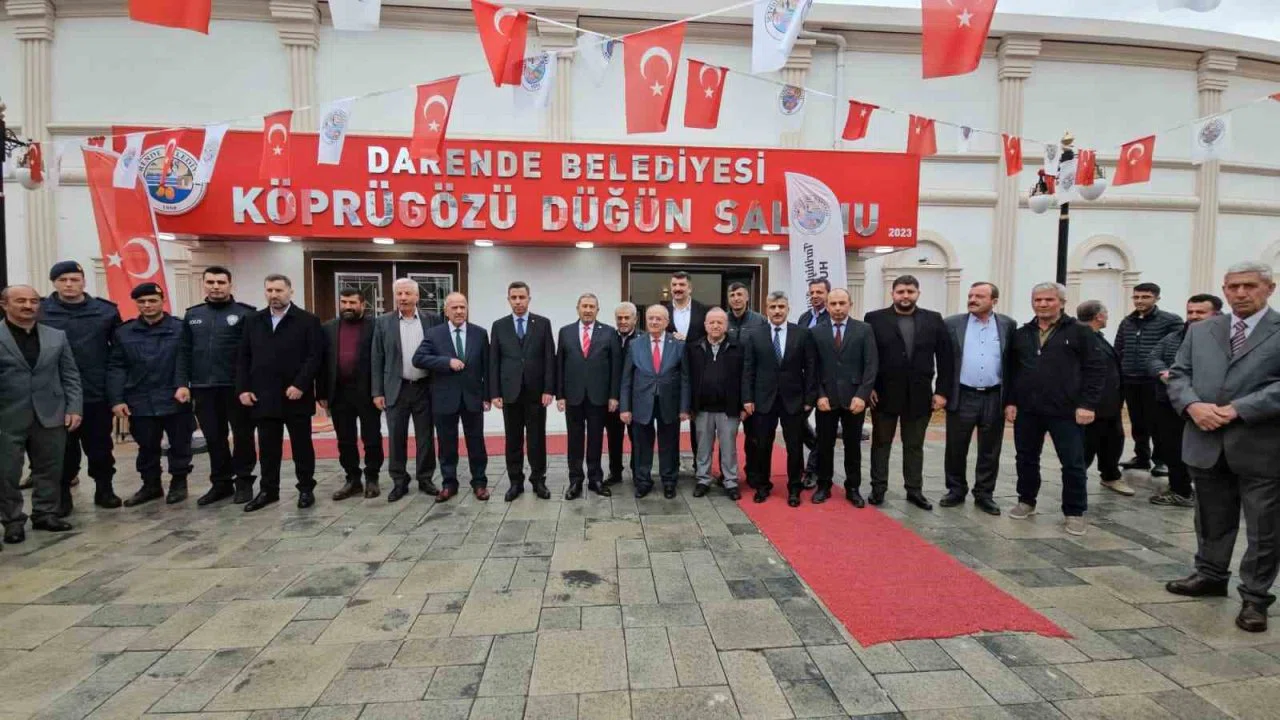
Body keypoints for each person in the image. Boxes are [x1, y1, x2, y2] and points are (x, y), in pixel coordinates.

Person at [1166, 262, 1280, 633]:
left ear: (1270, 288)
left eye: (1250, 286)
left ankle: (1255, 597)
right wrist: (1192, 405)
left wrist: (1239, 409)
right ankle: (1210, 575)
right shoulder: (1202, 330)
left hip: (1260, 446)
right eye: (1233, 287)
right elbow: (1179, 374)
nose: (1240, 293)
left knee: (1264, 527)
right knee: (1211, 517)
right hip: (1206, 439)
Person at [1007, 282, 1106, 536]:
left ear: (1061, 302)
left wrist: (1087, 404)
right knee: (1025, 458)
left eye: (1048, 300)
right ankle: (1026, 500)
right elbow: (1012, 371)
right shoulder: (1022, 334)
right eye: (1037, 300)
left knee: (1073, 462)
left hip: (1067, 410)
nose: (1042, 304)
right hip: (1029, 409)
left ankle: (1074, 512)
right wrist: (1011, 401)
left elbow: (1095, 370)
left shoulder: (1080, 332)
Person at [864, 275, 955, 510]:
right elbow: (868, 357)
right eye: (901, 291)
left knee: (914, 446)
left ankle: (914, 490)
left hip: (919, 395)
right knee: (881, 444)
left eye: (910, 291)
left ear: (918, 293)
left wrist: (942, 392)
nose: (905, 296)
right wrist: (869, 387)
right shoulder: (874, 319)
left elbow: (945, 358)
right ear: (892, 293)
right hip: (883, 394)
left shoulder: (933, 319)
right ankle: (878, 488)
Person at [39, 260, 122, 513]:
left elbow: (118, 353)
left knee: (100, 446)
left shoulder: (106, 311)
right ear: (54, 283)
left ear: (83, 281)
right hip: (55, 393)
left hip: (95, 391)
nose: (69, 284)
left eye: (74, 279)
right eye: (62, 280)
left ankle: (104, 488)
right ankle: (63, 494)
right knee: (63, 449)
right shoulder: (41, 311)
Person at [236, 274, 324, 512]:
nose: (274, 295)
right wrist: (243, 388)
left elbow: (315, 357)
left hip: (296, 396)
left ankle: (306, 488)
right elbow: (243, 357)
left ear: (290, 292)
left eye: (278, 290)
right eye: (269, 290)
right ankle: (268, 490)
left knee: (302, 447)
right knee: (268, 448)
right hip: (263, 396)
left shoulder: (307, 320)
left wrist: (301, 384)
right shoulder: (253, 320)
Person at [0, 285, 80, 541]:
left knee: (50, 469)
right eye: (21, 301)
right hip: (7, 416)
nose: (28, 306)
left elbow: (70, 374)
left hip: (51, 413)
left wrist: (74, 407)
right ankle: (12, 520)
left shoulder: (56, 336)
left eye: (34, 301)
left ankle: (45, 514)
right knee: (7, 472)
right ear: (4, 304)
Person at [108, 283, 194, 506]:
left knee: (180, 444)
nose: (147, 305)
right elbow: (117, 367)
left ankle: (179, 482)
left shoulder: (180, 328)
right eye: (142, 301)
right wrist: (117, 399)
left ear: (162, 301)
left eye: (152, 300)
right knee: (146, 446)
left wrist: (184, 385)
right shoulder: (124, 332)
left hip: (174, 397)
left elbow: (187, 360)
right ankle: (151, 485)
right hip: (140, 398)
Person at [178, 266, 257, 506]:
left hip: (236, 388)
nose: (215, 287)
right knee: (214, 437)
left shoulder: (246, 314)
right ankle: (221, 483)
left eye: (221, 282)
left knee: (243, 436)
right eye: (210, 282)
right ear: (204, 284)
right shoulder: (193, 315)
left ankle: (244, 481)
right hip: (203, 387)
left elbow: (253, 354)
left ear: (230, 285)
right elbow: (184, 352)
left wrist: (249, 386)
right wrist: (183, 384)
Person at [941, 282, 1016, 515]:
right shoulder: (952, 324)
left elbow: (1013, 364)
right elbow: (943, 361)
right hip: (963, 394)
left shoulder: (1008, 325)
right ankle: (955, 489)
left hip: (994, 395)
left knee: (990, 449)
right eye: (971, 295)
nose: (972, 299)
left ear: (994, 301)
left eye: (979, 296)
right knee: (956, 446)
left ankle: (984, 494)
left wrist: (1011, 400)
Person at [413, 292, 490, 502]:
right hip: (444, 398)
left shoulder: (480, 333)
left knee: (476, 443)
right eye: (454, 307)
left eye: (462, 307)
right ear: (446, 311)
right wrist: (446, 362)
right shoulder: (434, 334)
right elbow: (418, 358)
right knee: (447, 444)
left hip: (473, 397)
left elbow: (488, 366)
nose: (459, 311)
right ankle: (449, 484)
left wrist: (488, 395)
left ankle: (480, 483)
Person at [742, 291, 817, 506]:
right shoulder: (755, 335)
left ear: (788, 309)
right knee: (762, 445)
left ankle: (794, 488)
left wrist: (809, 399)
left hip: (793, 400)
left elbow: (811, 368)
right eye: (773, 307)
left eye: (781, 307)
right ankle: (763, 485)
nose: (777, 311)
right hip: (763, 400)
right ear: (766, 309)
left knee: (794, 447)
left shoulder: (802, 334)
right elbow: (748, 369)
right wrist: (747, 398)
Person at [1147, 294, 1221, 508]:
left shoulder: (1226, 338)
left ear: (1216, 314)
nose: (1194, 316)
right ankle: (1181, 490)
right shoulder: (1175, 336)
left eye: (1200, 312)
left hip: (1208, 405)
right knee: (1172, 448)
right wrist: (1162, 372)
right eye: (1190, 312)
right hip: (1171, 402)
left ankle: (1212, 493)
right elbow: (1152, 357)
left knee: (1209, 450)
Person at [373, 278, 442, 503]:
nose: (403, 298)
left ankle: (425, 478)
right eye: (399, 294)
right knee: (396, 437)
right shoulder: (383, 322)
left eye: (407, 293)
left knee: (425, 437)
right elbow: (377, 358)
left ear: (417, 296)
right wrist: (377, 392)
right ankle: (399, 480)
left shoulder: (432, 320)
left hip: (425, 387)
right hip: (397, 388)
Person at [489, 281, 556, 502]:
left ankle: (538, 480)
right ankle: (515, 481)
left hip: (536, 393)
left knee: (537, 439)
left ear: (529, 298)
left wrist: (549, 389)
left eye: (522, 297)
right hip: (510, 392)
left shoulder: (543, 324)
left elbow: (549, 358)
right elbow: (494, 361)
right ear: (508, 300)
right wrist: (494, 392)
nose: (518, 302)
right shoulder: (499, 326)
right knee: (513, 439)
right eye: (514, 298)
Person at [812, 288, 877, 507]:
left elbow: (871, 365)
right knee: (824, 445)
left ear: (850, 304)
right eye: (833, 304)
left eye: (842, 303)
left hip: (854, 399)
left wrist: (862, 396)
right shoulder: (816, 332)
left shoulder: (864, 330)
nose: (838, 308)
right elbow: (812, 368)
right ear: (827, 306)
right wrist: (819, 395)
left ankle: (853, 488)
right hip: (826, 400)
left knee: (853, 446)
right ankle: (823, 485)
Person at [621, 305, 690, 499]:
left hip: (670, 402)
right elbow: (626, 378)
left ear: (667, 322)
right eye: (651, 318)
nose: (654, 322)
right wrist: (625, 407)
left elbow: (685, 378)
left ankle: (669, 481)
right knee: (642, 444)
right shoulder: (635, 344)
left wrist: (684, 407)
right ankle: (643, 481)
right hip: (641, 402)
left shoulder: (678, 344)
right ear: (646, 320)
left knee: (669, 444)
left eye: (659, 319)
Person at [556, 293, 621, 499]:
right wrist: (560, 395)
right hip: (573, 396)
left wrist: (614, 396)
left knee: (595, 439)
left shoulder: (609, 333)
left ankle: (595, 479)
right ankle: (575, 480)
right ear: (578, 308)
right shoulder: (565, 332)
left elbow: (615, 367)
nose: (587, 310)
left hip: (598, 397)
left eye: (592, 306)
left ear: (597, 310)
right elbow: (560, 365)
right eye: (584, 306)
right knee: (574, 440)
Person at [320, 287, 382, 501]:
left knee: (371, 438)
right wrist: (322, 392)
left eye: (352, 303)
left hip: (367, 392)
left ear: (362, 304)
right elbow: (322, 362)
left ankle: (372, 478)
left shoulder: (375, 326)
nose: (347, 307)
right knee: (345, 440)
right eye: (344, 302)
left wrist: (379, 391)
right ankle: (352, 479)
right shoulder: (328, 328)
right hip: (339, 393)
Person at [1115, 282, 1182, 476]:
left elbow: (1179, 348)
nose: (1139, 301)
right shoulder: (1127, 322)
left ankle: (1161, 461)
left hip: (1155, 381)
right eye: (1136, 297)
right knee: (1137, 422)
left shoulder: (1170, 321)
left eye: (1145, 297)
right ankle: (1141, 457)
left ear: (1156, 298)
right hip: (1130, 379)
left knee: (1158, 423)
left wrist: (1166, 372)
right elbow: (1119, 348)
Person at [684, 307, 743, 500]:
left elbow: (745, 377)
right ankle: (703, 480)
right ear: (705, 325)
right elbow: (687, 379)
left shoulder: (737, 347)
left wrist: (743, 404)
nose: (715, 326)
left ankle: (730, 481)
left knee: (728, 448)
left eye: (720, 322)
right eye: (712, 322)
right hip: (702, 409)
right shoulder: (694, 348)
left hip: (728, 409)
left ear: (726, 325)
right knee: (703, 447)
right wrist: (688, 406)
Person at [1077, 301, 1128, 496]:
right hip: (1093, 405)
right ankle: (1076, 481)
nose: (1107, 316)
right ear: (1098, 316)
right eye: (1106, 313)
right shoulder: (1083, 338)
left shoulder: (1097, 336)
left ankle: (1110, 475)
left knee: (1112, 441)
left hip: (1109, 404)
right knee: (1088, 444)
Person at [797, 277, 832, 488]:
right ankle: (819, 452)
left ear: (827, 294)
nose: (815, 296)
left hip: (826, 381)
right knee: (798, 423)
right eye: (812, 292)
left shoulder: (833, 316)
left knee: (824, 427)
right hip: (805, 380)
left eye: (819, 292)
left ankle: (811, 471)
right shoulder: (804, 317)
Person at [605, 302, 640, 486]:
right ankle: (615, 472)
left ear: (635, 319)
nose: (623, 321)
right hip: (613, 398)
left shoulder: (643, 339)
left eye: (627, 318)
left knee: (637, 438)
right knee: (614, 438)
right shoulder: (608, 337)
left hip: (636, 399)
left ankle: (637, 472)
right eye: (620, 318)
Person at [662, 270, 709, 345]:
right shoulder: (663, 311)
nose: (677, 288)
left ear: (690, 289)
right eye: (674, 285)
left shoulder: (703, 310)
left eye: (682, 285)